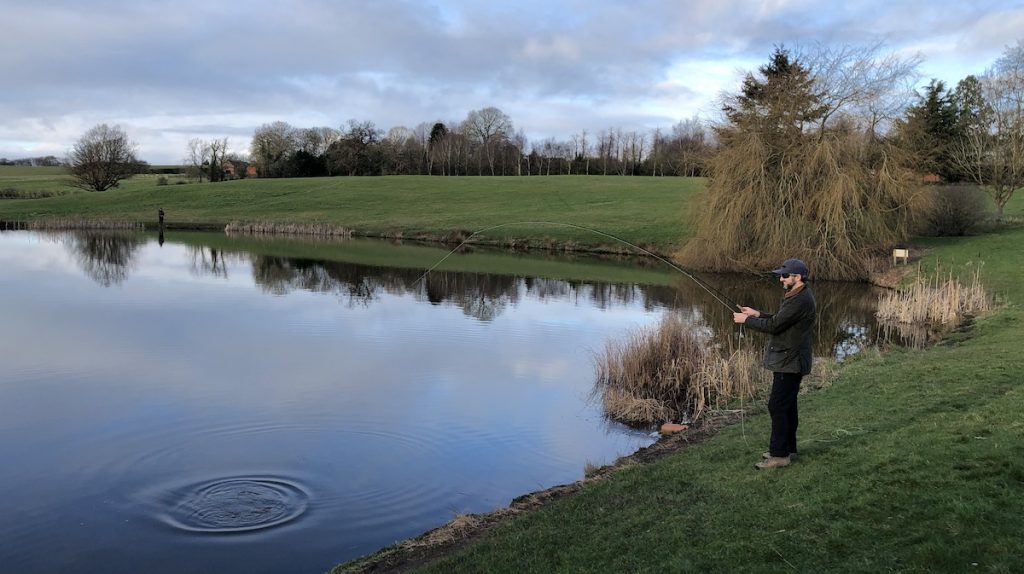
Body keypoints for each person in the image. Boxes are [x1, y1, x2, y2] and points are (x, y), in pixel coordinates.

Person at [733, 258, 816, 470]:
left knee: (777, 405)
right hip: (790, 359)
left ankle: (779, 455)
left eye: (785, 276)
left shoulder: (800, 300)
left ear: (798, 278)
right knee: (787, 405)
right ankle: (786, 448)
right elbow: (781, 319)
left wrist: (746, 321)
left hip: (790, 361)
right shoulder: (797, 295)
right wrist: (756, 314)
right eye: (781, 275)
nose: (781, 279)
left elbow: (775, 325)